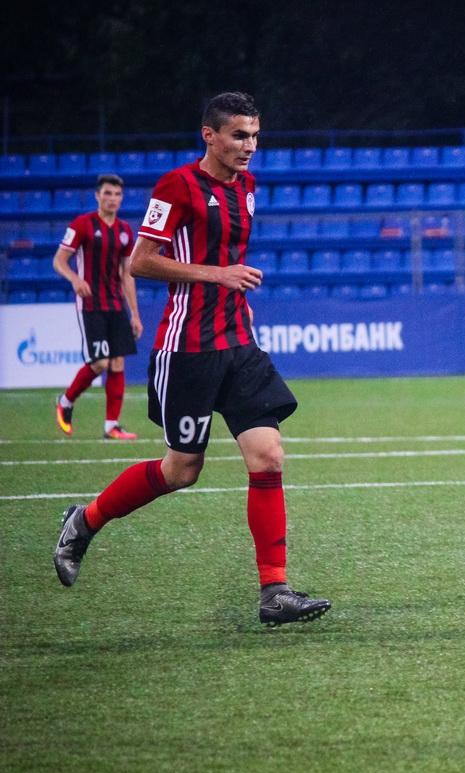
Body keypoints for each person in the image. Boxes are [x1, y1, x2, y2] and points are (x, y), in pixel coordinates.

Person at [53, 92, 330, 628]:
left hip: (239, 343)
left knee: (268, 456)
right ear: (210, 135)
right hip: (188, 348)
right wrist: (217, 274)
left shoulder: (247, 186)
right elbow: (141, 263)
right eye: (239, 135)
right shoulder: (176, 187)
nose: (250, 146)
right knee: (182, 470)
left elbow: (229, 256)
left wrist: (234, 287)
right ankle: (84, 522)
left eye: (255, 136)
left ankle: (274, 591)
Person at [52, 174, 143, 439]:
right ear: (97, 196)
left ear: (121, 198)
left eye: (117, 194)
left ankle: (111, 426)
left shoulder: (125, 231)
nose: (112, 199)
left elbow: (127, 274)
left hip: (116, 304)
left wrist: (135, 314)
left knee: (117, 362)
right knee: (101, 363)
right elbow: (59, 260)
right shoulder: (82, 224)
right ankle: (65, 401)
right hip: (91, 304)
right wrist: (74, 279)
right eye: (107, 193)